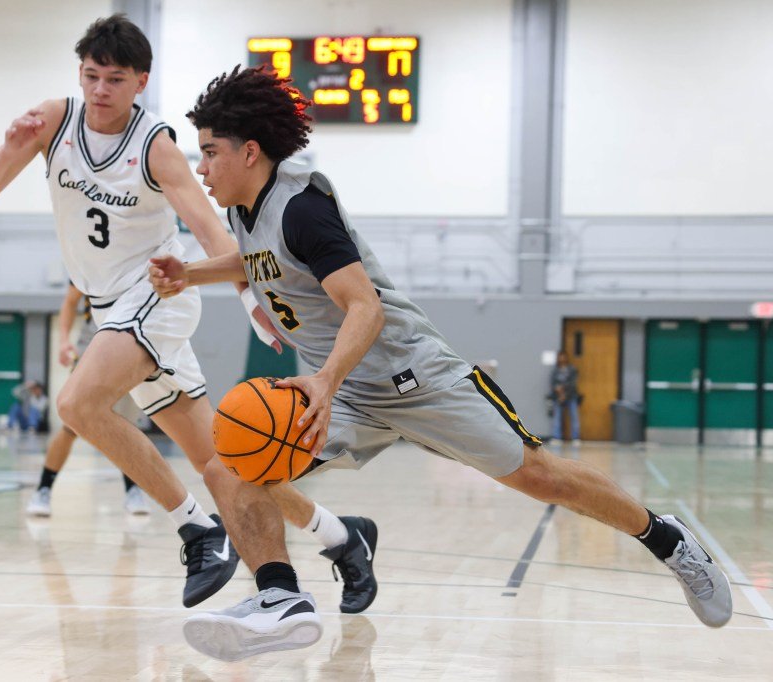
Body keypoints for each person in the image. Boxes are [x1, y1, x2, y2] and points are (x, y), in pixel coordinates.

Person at [148, 65, 733, 661]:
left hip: (410, 376)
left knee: (541, 478)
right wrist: (191, 272)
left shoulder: (303, 206)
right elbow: (262, 262)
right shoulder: (245, 211)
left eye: (210, 153)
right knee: (237, 467)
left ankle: (667, 540)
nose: (201, 168)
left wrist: (325, 378)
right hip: (343, 392)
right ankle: (281, 598)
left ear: (249, 153)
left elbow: (365, 308)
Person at [0, 16, 378, 610]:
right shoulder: (54, 121)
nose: (100, 89)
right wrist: (9, 146)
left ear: (140, 82)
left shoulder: (154, 144)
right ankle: (343, 537)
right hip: (108, 308)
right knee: (226, 458)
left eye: (115, 78)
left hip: (157, 295)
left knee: (78, 404)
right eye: (90, 76)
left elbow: (210, 228)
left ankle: (197, 530)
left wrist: (246, 299)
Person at [25, 283, 150, 517]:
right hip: (92, 342)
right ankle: (43, 488)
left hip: (134, 342)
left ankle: (133, 490)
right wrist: (63, 340)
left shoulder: (144, 257)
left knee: (127, 426)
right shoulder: (90, 256)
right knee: (73, 423)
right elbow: (70, 301)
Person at [550, 350, 580, 443]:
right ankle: (556, 437)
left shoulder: (572, 369)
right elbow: (553, 383)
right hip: (558, 397)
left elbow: (572, 384)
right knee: (557, 417)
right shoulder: (555, 370)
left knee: (574, 416)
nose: (562, 358)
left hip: (571, 396)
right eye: (560, 356)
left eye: (563, 356)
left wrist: (564, 392)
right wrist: (558, 391)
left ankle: (576, 438)